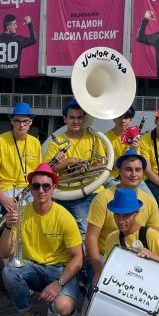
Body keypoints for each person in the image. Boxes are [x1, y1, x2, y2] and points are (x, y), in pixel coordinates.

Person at [71, 187, 159, 316]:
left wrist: (155, 257)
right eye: (117, 215)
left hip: (141, 304)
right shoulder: (112, 238)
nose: (121, 221)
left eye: (126, 215)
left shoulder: (150, 235)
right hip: (117, 303)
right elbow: (110, 272)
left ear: (137, 213)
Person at [0, 164, 82, 316]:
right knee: (9, 270)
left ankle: (60, 302)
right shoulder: (21, 213)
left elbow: (78, 257)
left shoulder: (64, 216)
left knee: (63, 308)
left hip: (60, 271)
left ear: (53, 188)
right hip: (34, 269)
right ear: (30, 188)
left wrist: (58, 283)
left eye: (46, 186)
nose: (41, 190)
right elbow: (5, 253)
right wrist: (8, 226)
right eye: (36, 186)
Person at [85, 150, 159, 287]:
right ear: (119, 171)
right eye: (128, 170)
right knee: (102, 289)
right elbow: (91, 237)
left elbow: (158, 237)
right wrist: (98, 270)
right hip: (105, 256)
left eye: (138, 170)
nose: (134, 175)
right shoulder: (102, 198)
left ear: (143, 173)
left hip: (136, 256)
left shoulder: (150, 201)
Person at [44, 99, 107, 238]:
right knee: (84, 230)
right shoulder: (57, 142)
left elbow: (102, 162)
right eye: (72, 118)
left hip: (94, 189)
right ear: (65, 119)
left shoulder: (93, 137)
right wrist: (67, 162)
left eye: (79, 118)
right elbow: (47, 170)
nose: (76, 121)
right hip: (71, 191)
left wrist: (85, 168)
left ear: (84, 119)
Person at [0, 102, 42, 227]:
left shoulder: (35, 143)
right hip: (7, 188)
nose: (21, 124)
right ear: (11, 121)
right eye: (17, 121)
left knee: (40, 214)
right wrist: (3, 199)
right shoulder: (0, 141)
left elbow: (38, 172)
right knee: (17, 218)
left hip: (29, 189)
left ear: (31, 122)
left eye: (25, 121)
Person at [104, 107, 146, 191]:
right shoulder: (105, 138)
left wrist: (134, 150)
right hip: (112, 177)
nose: (123, 121)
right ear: (114, 118)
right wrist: (125, 159)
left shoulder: (135, 137)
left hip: (133, 176)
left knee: (149, 198)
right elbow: (104, 163)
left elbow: (138, 164)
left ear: (130, 120)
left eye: (126, 118)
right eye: (120, 117)